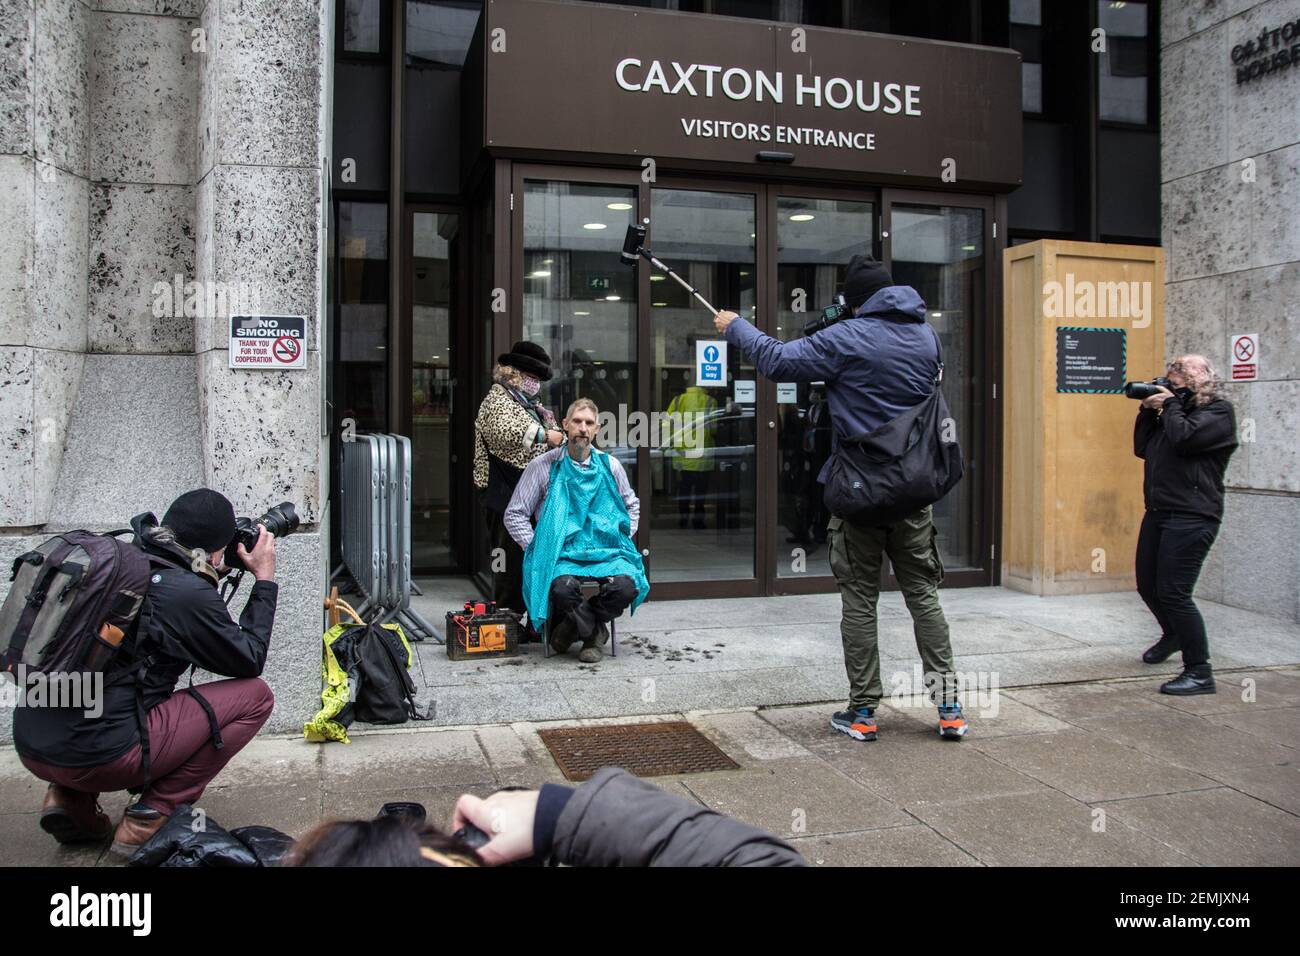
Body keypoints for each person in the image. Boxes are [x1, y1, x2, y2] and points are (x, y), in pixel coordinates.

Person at [714, 254, 966, 741]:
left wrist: (737, 326)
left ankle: (863, 712)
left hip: (862, 491)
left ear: (854, 301)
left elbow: (778, 360)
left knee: (860, 601)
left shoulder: (848, 337)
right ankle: (950, 707)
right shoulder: (926, 336)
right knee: (923, 596)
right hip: (915, 489)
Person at [13, 488, 278, 856]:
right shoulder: (183, 591)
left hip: (30, 744)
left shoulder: (119, 564)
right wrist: (264, 579)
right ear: (216, 552)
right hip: (102, 758)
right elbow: (249, 658)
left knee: (105, 686)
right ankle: (150, 816)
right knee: (255, 697)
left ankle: (68, 799)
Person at [286, 767, 804, 867]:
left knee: (619, 581)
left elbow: (629, 509)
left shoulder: (604, 472)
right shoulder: (540, 472)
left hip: (599, 557)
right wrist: (554, 815)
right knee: (562, 584)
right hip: (563, 560)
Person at [504, 398, 648, 663]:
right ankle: (595, 634)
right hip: (564, 553)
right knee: (561, 589)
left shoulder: (611, 466)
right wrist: (538, 546)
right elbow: (514, 514)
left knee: (627, 587)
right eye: (577, 422)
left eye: (589, 423)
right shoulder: (542, 466)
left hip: (607, 551)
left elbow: (632, 505)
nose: (583, 428)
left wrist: (622, 536)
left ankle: (571, 628)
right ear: (565, 425)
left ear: (597, 429)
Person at [1133, 355, 1238, 695]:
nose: (1172, 378)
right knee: (1147, 584)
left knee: (1175, 592)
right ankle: (1174, 633)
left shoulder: (1218, 412)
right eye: (1171, 374)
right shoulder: (1173, 413)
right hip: (1160, 511)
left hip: (1194, 515)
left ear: (1204, 378)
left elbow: (1185, 439)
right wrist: (1149, 410)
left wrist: (1171, 405)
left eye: (1180, 374)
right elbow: (1142, 449)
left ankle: (1200, 670)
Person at [473, 341, 564, 637]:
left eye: (538, 380)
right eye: (532, 377)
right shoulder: (498, 399)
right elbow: (504, 431)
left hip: (523, 492)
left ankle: (530, 621)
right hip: (502, 493)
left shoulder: (523, 402)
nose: (535, 384)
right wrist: (545, 434)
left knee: (527, 558)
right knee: (507, 562)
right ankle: (507, 624)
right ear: (515, 373)